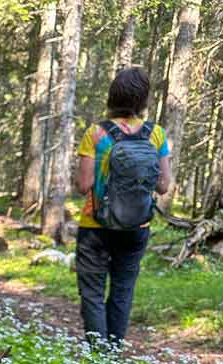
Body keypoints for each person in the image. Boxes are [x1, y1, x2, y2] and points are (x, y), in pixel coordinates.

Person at [75, 66, 172, 347]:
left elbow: (83, 185)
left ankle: (98, 358)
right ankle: (114, 355)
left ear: (112, 97)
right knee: (122, 290)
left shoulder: (96, 133)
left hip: (95, 225)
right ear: (143, 100)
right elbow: (164, 186)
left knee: (92, 291)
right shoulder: (156, 134)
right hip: (136, 226)